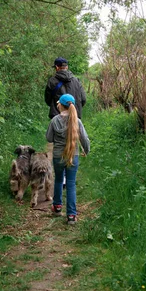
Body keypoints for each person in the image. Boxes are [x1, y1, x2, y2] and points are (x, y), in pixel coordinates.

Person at [46, 93, 90, 225]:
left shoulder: (54, 120)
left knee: (59, 180)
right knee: (71, 184)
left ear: (61, 105)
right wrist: (86, 151)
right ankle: (71, 215)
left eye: (59, 103)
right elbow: (85, 139)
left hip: (58, 156)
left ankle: (57, 207)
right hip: (73, 156)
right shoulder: (77, 121)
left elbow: (48, 138)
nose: (57, 104)